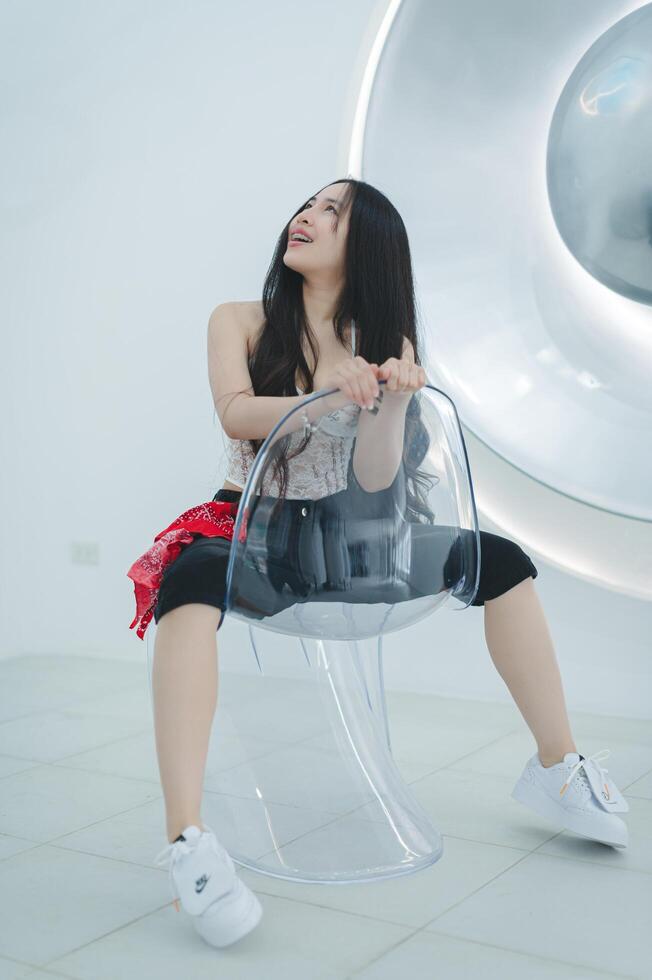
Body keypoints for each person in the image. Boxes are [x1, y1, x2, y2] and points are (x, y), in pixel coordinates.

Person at [132, 178, 629, 951]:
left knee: (501, 562)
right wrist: (325, 398)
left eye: (333, 212)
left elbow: (373, 479)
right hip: (258, 530)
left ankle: (558, 765)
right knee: (188, 581)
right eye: (309, 203)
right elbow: (233, 411)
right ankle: (188, 842)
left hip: (354, 537)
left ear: (366, 246)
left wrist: (392, 402)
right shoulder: (239, 320)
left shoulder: (382, 343)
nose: (307, 215)